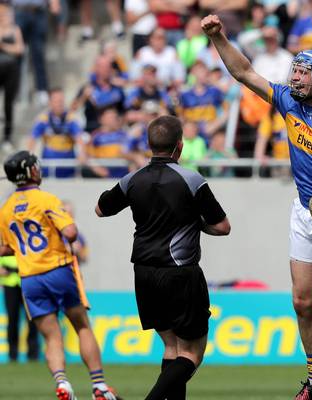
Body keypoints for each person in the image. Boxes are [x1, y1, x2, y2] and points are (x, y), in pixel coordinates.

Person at [201, 14, 312, 400]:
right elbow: (244, 72)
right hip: (303, 211)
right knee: (301, 301)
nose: (293, 78)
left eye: (301, 73)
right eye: (293, 71)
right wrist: (219, 37)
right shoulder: (287, 101)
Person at [95, 115, 231, 400]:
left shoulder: (132, 180)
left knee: (171, 348)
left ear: (148, 145)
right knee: (192, 353)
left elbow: (100, 209)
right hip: (180, 273)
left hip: (144, 273)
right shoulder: (191, 179)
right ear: (179, 147)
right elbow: (222, 227)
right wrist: (197, 224)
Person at [0, 151, 120, 400]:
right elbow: (71, 232)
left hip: (30, 278)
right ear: (31, 171)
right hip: (58, 270)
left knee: (51, 336)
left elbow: (3, 248)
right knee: (81, 326)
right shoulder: (45, 199)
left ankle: (63, 384)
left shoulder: (6, 208)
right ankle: (99, 386)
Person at [0, 255, 39, 362]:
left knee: (32, 318)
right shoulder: (5, 238)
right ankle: (12, 354)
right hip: (10, 281)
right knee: (12, 319)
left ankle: (33, 354)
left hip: (28, 281)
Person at [0, 1, 24, 149]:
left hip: (11, 71)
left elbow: (19, 49)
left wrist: (3, 46)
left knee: (9, 104)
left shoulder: (15, 30)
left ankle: (7, 136)